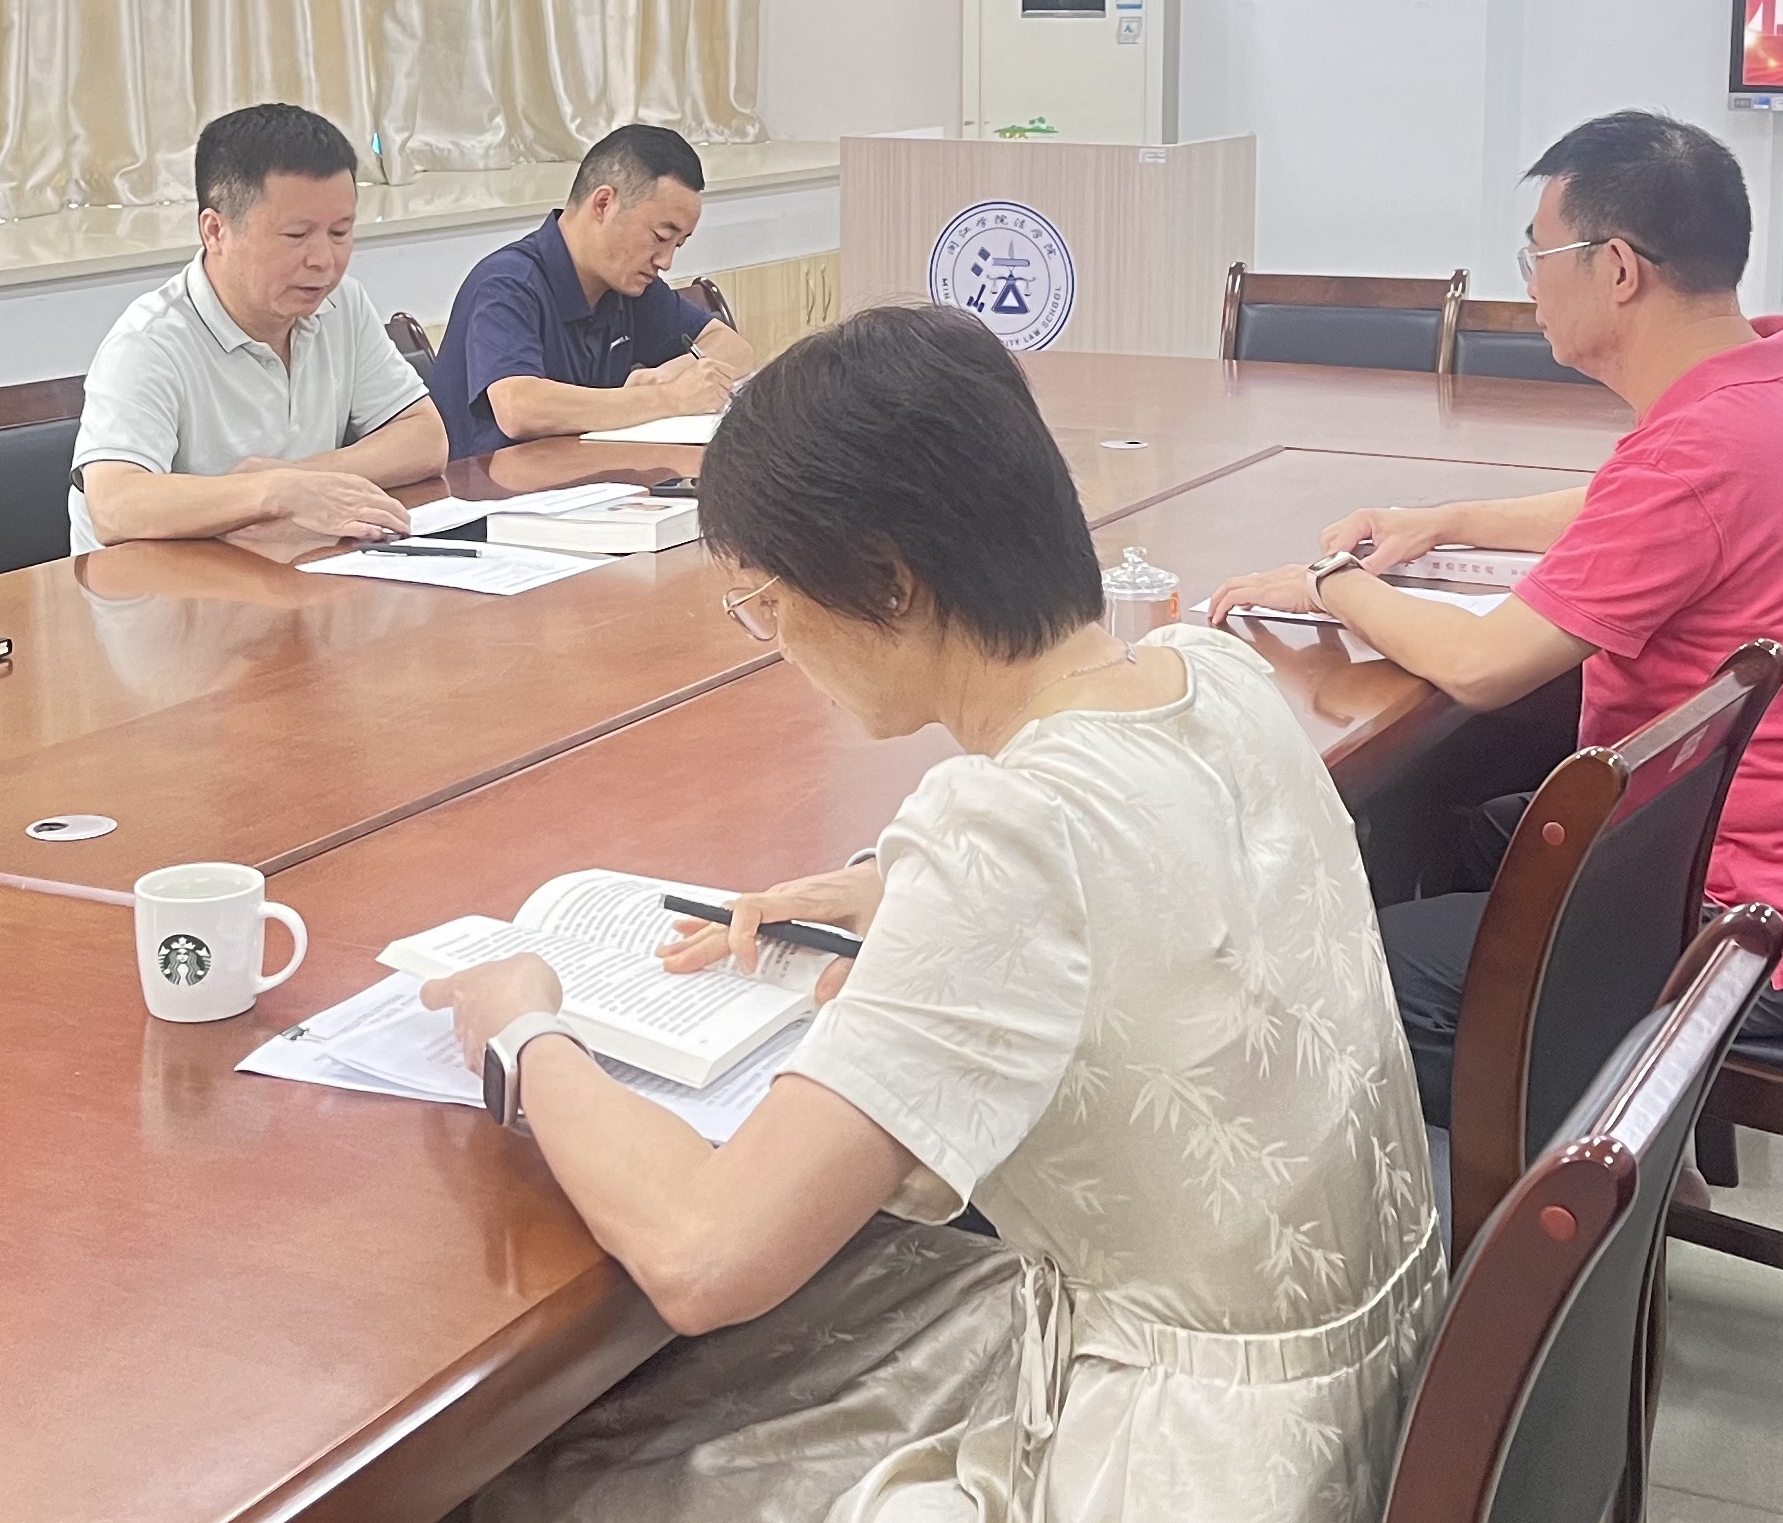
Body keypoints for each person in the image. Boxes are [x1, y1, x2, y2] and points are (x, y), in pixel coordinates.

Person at [427, 304, 1442, 1523]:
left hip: (1184, 1465)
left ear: (891, 583)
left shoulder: (1001, 834)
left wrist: (525, 1028)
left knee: (558, 1479)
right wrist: (896, 895)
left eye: (766, 601)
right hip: (1379, 1390)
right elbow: (1171, 886)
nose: (773, 643)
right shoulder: (1214, 673)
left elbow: (705, 1256)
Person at [1206, 111, 1783, 1113]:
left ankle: (1563, 1161)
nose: (1530, 286)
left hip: (1748, 929)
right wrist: (1448, 521)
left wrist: (1331, 586)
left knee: (1337, 975)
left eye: (1537, 258)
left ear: (1617, 269)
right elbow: (1629, 508)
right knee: (1443, 826)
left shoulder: (1700, 451)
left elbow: (1484, 665)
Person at [71, 103, 447, 555]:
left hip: (287, 572)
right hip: (155, 590)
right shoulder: (149, 343)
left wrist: (299, 482)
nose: (323, 261)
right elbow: (115, 505)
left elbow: (424, 437)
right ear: (215, 231)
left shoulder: (339, 303)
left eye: (340, 233)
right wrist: (275, 493)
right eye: (296, 235)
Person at [431, 124, 758, 461]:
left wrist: (670, 374)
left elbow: (734, 348)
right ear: (603, 204)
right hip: (489, 487)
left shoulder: (628, 285)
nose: (665, 261)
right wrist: (669, 398)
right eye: (660, 237)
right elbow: (519, 407)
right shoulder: (508, 283)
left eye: (678, 244)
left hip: (589, 478)